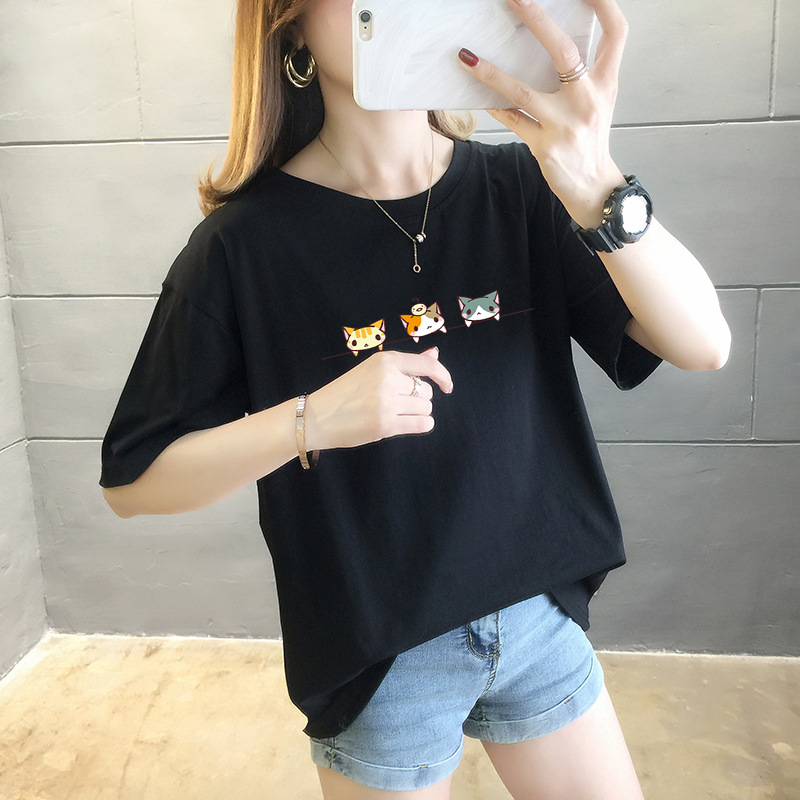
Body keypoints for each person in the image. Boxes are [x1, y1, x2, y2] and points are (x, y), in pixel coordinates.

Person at [100, 0, 731, 797]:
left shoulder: (525, 186)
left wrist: (594, 178)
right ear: (289, 26)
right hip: (383, 658)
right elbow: (133, 481)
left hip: (539, 620)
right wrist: (310, 421)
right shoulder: (240, 248)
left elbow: (704, 345)